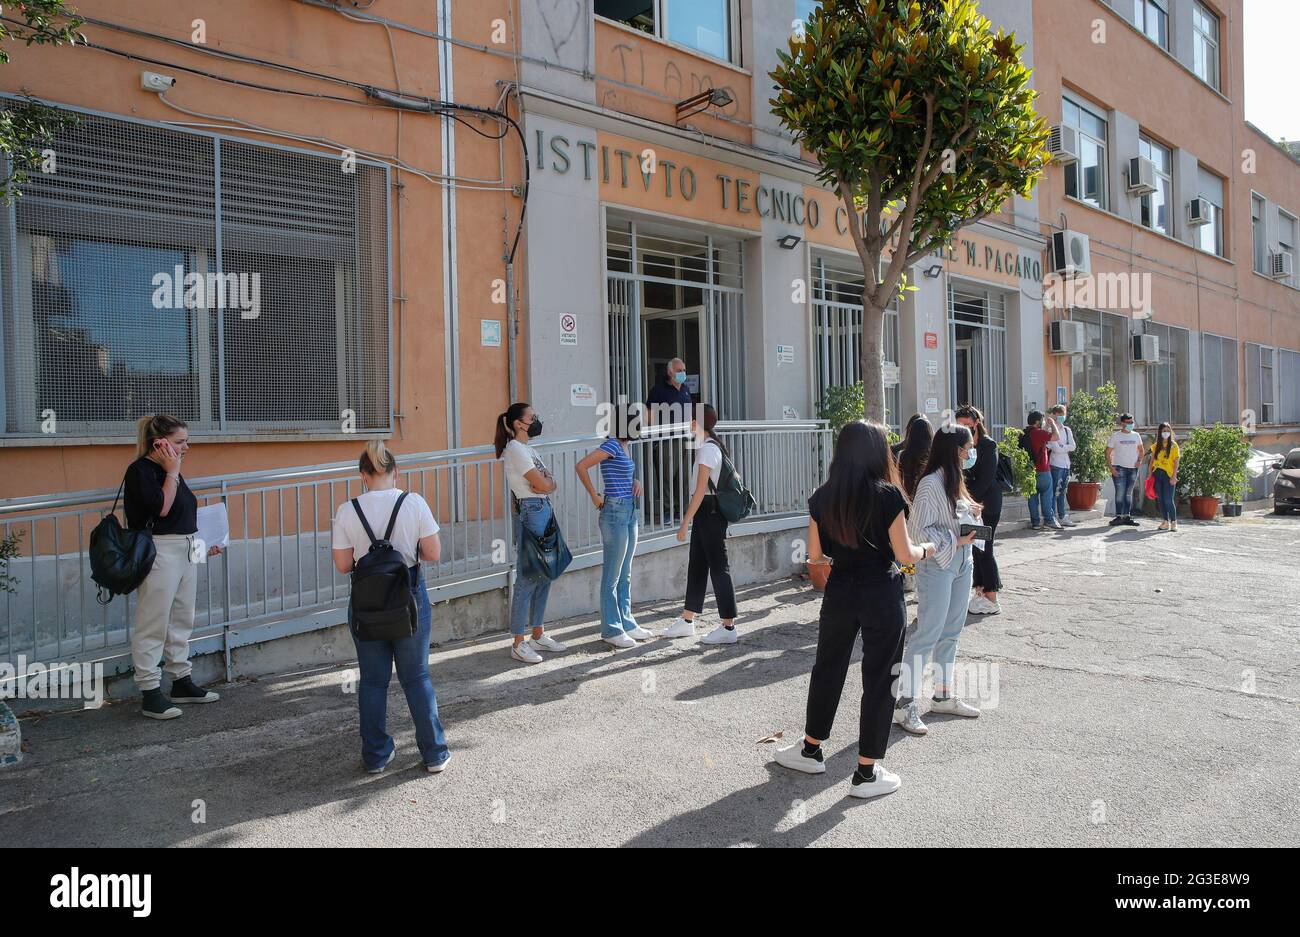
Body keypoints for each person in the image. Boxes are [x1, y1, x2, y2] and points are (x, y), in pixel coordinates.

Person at [773, 421, 934, 798]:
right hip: (881, 591)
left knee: (828, 667)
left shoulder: (821, 497)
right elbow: (903, 554)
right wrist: (928, 549)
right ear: (879, 452)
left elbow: (815, 557)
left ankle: (811, 748)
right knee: (880, 678)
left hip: (841, 590)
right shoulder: (889, 495)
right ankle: (866, 772)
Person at [332, 441, 450, 775]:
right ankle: (434, 754)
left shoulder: (347, 509)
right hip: (408, 596)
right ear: (396, 471)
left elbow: (343, 565)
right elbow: (433, 552)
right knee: (417, 677)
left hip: (366, 602)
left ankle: (376, 756)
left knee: (372, 681)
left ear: (362, 475)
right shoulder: (414, 503)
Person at [125, 414, 223, 720]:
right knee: (153, 621)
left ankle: (181, 680)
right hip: (159, 550)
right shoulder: (142, 471)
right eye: (180, 442)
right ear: (160, 443)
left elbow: (183, 514)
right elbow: (162, 508)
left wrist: (206, 543)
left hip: (185, 547)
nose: (186, 447)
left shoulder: (172, 472)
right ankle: (150, 691)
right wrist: (172, 471)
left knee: (182, 617)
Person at [894, 423, 982, 735]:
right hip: (938, 563)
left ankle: (943, 695)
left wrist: (972, 516)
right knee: (927, 633)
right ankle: (903, 704)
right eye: (967, 447)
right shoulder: (931, 483)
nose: (971, 452)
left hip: (962, 562)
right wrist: (954, 539)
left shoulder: (955, 480)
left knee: (952, 632)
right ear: (954, 450)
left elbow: (954, 519)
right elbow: (917, 531)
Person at [576, 404, 654, 648]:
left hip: (630, 511)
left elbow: (628, 470)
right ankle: (611, 629)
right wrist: (595, 496)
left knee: (625, 573)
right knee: (612, 575)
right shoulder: (610, 445)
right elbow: (581, 466)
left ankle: (627, 622)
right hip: (614, 512)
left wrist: (637, 479)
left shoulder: (625, 446)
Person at [660, 404, 738, 645]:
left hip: (709, 513)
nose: (688, 423)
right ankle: (687, 620)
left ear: (698, 422)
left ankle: (728, 625)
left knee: (718, 567)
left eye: (691, 419)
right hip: (707, 513)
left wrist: (685, 522)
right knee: (697, 566)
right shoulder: (709, 447)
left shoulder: (707, 451)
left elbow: (700, 492)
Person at [497, 403, 568, 664]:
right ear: (518, 423)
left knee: (546, 573)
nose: (536, 419)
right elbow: (541, 483)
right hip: (532, 510)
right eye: (532, 416)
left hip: (542, 508)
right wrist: (544, 485)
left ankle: (538, 633)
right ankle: (518, 642)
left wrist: (545, 485)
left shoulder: (529, 449)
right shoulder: (515, 449)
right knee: (529, 576)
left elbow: (551, 482)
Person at [956, 405, 1002, 615]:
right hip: (969, 505)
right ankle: (980, 592)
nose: (963, 427)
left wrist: (968, 499)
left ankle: (992, 596)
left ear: (976, 423)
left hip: (986, 505)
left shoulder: (988, 445)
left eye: (966, 424)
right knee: (974, 548)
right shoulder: (960, 444)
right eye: (959, 424)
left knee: (986, 548)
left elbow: (986, 479)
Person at [644, 358, 694, 520]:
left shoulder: (685, 389)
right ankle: (667, 511)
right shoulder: (659, 390)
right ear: (670, 372)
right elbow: (649, 415)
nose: (683, 373)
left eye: (684, 370)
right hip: (667, 440)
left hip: (685, 438)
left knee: (684, 476)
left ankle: (683, 510)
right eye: (679, 370)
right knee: (667, 476)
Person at [1022, 410, 1060, 530]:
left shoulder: (1023, 433)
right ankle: (1049, 520)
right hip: (1042, 470)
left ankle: (1035, 522)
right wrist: (1053, 423)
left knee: (1032, 498)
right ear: (1038, 422)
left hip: (1028, 471)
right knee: (1047, 495)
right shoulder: (1038, 433)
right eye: (1042, 420)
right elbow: (1056, 437)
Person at [1106, 412, 1144, 527]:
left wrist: (1139, 461)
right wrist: (1111, 467)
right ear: (1122, 423)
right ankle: (1118, 516)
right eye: (1128, 422)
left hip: (1133, 469)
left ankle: (1127, 516)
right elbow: (1107, 452)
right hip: (1119, 468)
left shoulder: (1136, 436)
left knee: (1128, 493)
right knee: (1120, 493)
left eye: (1132, 422)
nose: (1131, 424)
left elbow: (1141, 450)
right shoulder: (1116, 436)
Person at [1046, 404, 1078, 527]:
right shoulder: (1051, 430)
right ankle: (1053, 517)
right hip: (1056, 464)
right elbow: (1055, 449)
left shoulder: (1066, 430)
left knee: (1063, 492)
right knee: (1055, 492)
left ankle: (1062, 516)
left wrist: (1062, 447)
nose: (1062, 416)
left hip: (1066, 465)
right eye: (1059, 414)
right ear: (1054, 415)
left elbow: (1073, 446)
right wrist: (1064, 448)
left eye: (1063, 414)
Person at [1146, 421, 1180, 531]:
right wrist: (1150, 474)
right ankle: (1165, 521)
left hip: (1168, 475)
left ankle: (1174, 522)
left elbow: (1176, 462)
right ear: (1160, 432)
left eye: (1167, 430)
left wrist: (1174, 476)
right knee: (1160, 499)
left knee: (1168, 499)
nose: (1166, 433)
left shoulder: (1174, 446)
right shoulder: (1156, 446)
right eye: (1163, 431)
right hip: (1157, 474)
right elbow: (1151, 461)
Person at [895, 413, 933, 500]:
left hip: (906, 500)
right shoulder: (933, 456)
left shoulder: (901, 455)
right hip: (927, 499)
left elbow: (898, 480)